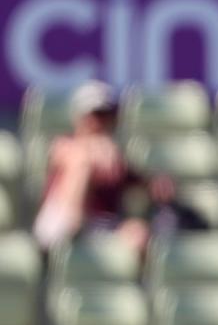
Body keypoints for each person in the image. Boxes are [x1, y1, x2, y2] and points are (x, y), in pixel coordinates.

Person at [33, 81, 149, 252]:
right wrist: (92, 151)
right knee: (81, 163)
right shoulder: (63, 146)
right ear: (79, 118)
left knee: (139, 233)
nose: (100, 122)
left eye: (107, 115)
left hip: (101, 227)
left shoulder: (117, 157)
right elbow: (69, 155)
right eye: (94, 115)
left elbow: (142, 183)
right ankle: (68, 238)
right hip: (59, 224)